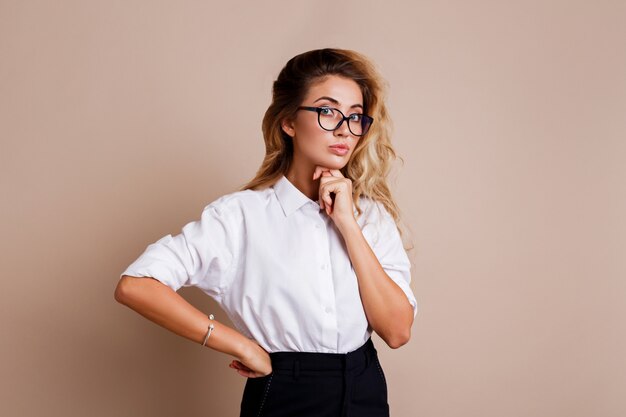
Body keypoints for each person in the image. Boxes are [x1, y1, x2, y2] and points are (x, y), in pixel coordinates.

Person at [114, 47, 418, 417]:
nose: (344, 129)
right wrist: (238, 345)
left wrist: (347, 225)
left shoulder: (370, 216)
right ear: (289, 122)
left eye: (355, 117)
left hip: (365, 389)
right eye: (327, 111)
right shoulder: (240, 217)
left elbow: (397, 332)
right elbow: (135, 284)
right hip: (285, 395)